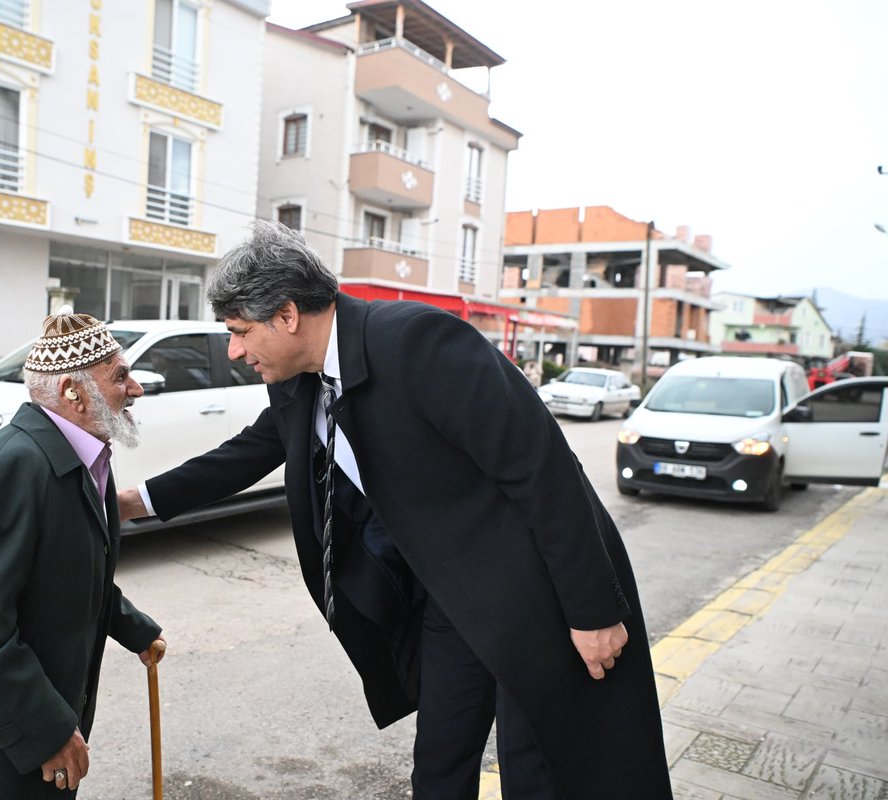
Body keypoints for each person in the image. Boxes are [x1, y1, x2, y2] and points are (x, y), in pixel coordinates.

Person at [119, 222, 671, 800]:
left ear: (286, 315)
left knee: (544, 771)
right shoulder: (298, 381)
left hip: (536, 595)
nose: (234, 350)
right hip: (449, 598)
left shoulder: (417, 342)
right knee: (439, 764)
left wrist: (593, 611)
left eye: (239, 332)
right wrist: (137, 502)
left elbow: (544, 472)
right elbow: (248, 452)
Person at [0, 307, 165, 798]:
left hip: (20, 711)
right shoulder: (16, 465)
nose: (135, 390)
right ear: (73, 393)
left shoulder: (83, 456)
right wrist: (46, 729)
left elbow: (68, 573)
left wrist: (134, 628)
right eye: (120, 377)